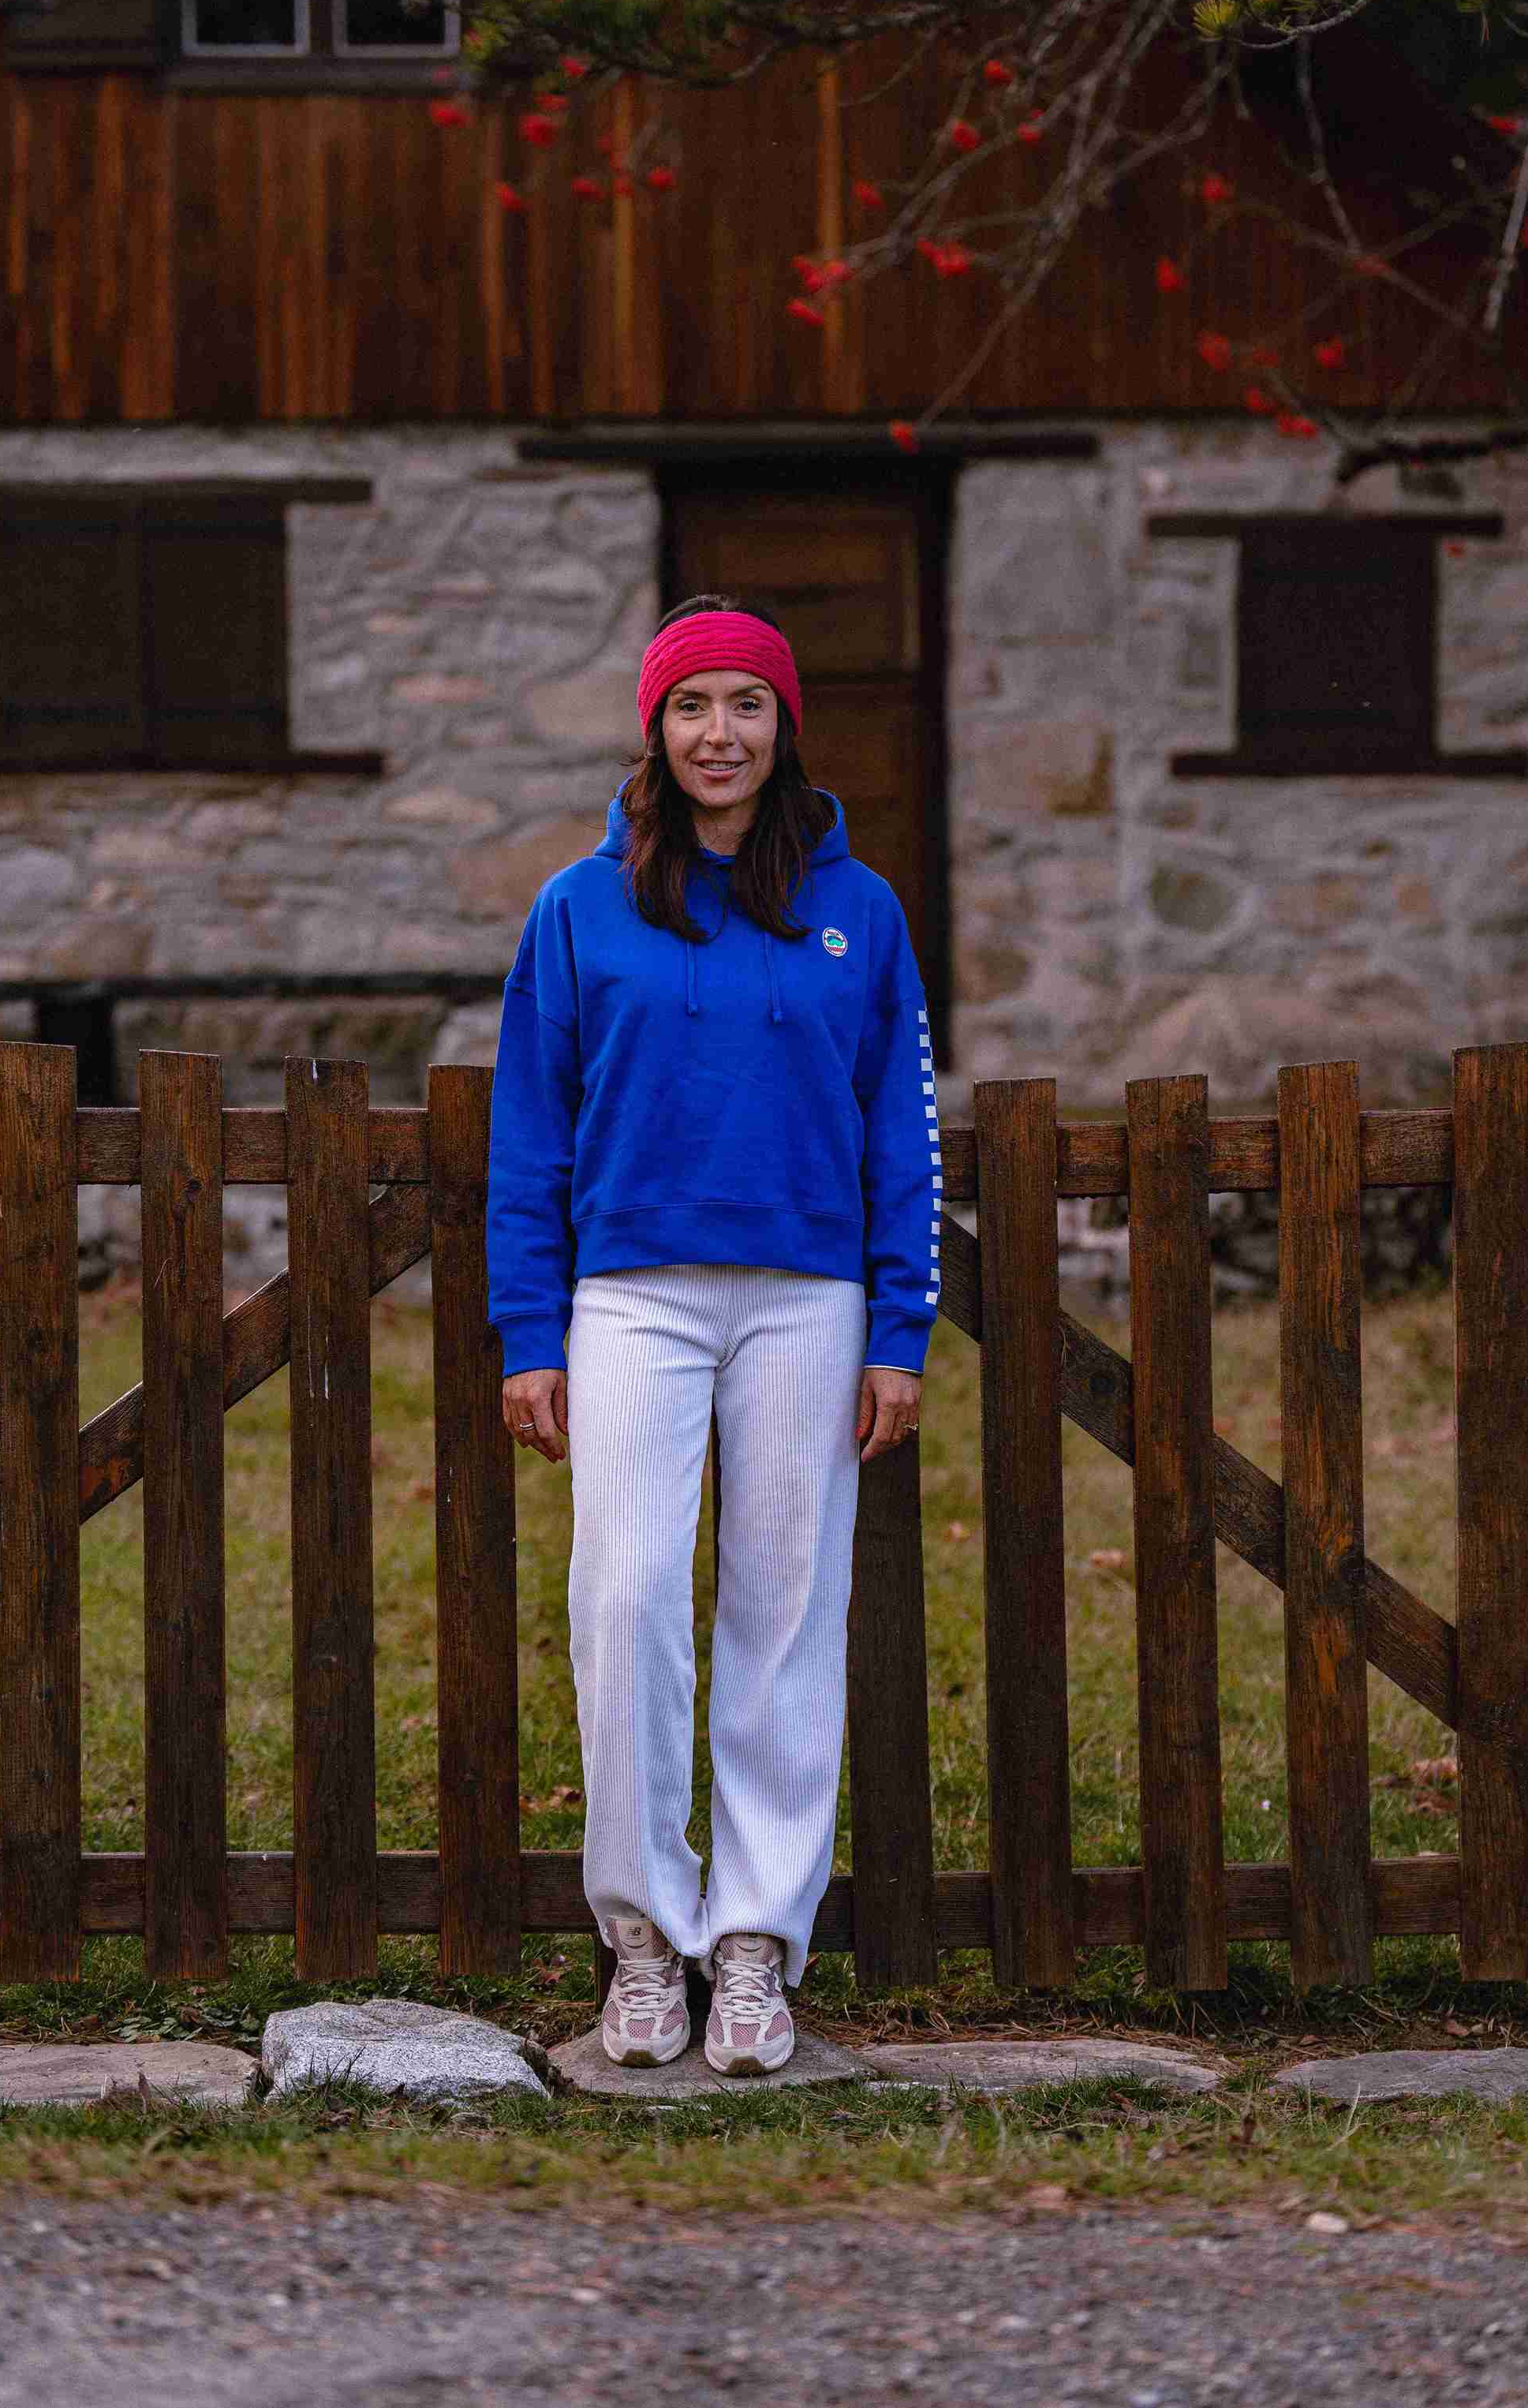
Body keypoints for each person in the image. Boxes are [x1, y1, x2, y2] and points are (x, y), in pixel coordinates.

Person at [484, 596, 940, 2076]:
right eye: (691, 707)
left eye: (746, 705)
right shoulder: (579, 905)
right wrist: (525, 1329)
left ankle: (752, 1942)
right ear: (654, 729)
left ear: (782, 726)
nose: (718, 734)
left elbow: (901, 1133)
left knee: (783, 1614)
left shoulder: (857, 911)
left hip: (807, 1298)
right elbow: (527, 1131)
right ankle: (640, 1938)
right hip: (632, 1293)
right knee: (624, 1597)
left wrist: (899, 1325)